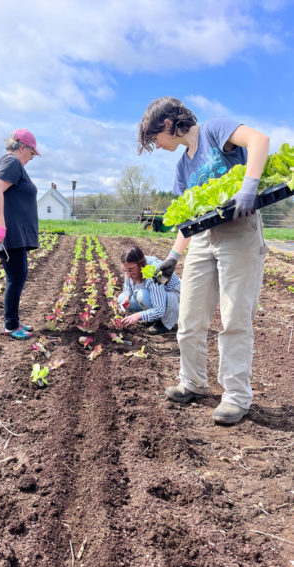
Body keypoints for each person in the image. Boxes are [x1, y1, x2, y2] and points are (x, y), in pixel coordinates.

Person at [138, 97, 269, 425]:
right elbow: (187, 219)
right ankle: (193, 382)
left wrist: (250, 186)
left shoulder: (214, 130)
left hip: (239, 233)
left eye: (154, 137)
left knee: (234, 318)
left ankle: (236, 396)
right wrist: (172, 257)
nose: (155, 144)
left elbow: (259, 140)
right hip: (202, 240)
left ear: (168, 124)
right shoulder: (182, 167)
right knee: (189, 317)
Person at [0, 129, 40, 340]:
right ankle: (10, 325)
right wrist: (0, 224)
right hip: (8, 233)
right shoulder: (12, 162)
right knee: (16, 277)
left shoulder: (12, 164)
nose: (31, 158)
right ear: (23, 147)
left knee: (17, 276)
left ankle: (14, 322)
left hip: (13, 232)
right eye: (32, 153)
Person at [118, 246, 180, 335]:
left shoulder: (154, 273)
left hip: (171, 298)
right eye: (125, 270)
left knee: (142, 295)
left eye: (131, 270)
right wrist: (127, 297)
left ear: (140, 264)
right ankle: (150, 317)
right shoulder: (130, 266)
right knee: (121, 298)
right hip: (154, 295)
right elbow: (128, 286)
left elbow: (159, 309)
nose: (128, 273)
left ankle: (161, 321)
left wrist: (137, 315)